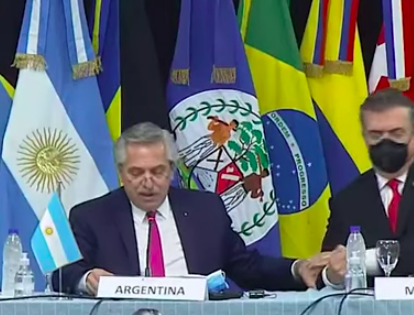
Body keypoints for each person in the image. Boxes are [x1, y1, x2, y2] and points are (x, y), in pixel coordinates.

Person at [54, 122, 330, 296]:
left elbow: (246, 267)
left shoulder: (205, 211)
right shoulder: (92, 216)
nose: (147, 182)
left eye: (157, 171)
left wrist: (297, 268)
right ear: (121, 173)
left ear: (171, 170)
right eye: (136, 173)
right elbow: (64, 273)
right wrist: (87, 279)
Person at [320, 89, 414, 287]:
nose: (386, 142)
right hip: (370, 305)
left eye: (396, 133)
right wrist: (332, 275)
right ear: (365, 137)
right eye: (376, 135)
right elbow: (329, 263)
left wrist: (359, 260)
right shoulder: (347, 199)